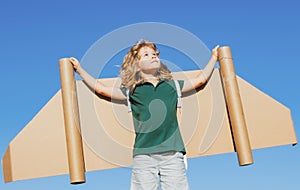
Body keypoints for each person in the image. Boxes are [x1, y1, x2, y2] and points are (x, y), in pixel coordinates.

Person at [69, 39, 219, 190]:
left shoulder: (171, 86)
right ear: (136, 64)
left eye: (155, 54)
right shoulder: (132, 90)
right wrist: (80, 70)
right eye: (146, 54)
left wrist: (213, 58)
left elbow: (200, 81)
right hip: (144, 155)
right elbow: (102, 90)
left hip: (173, 153)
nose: (153, 56)